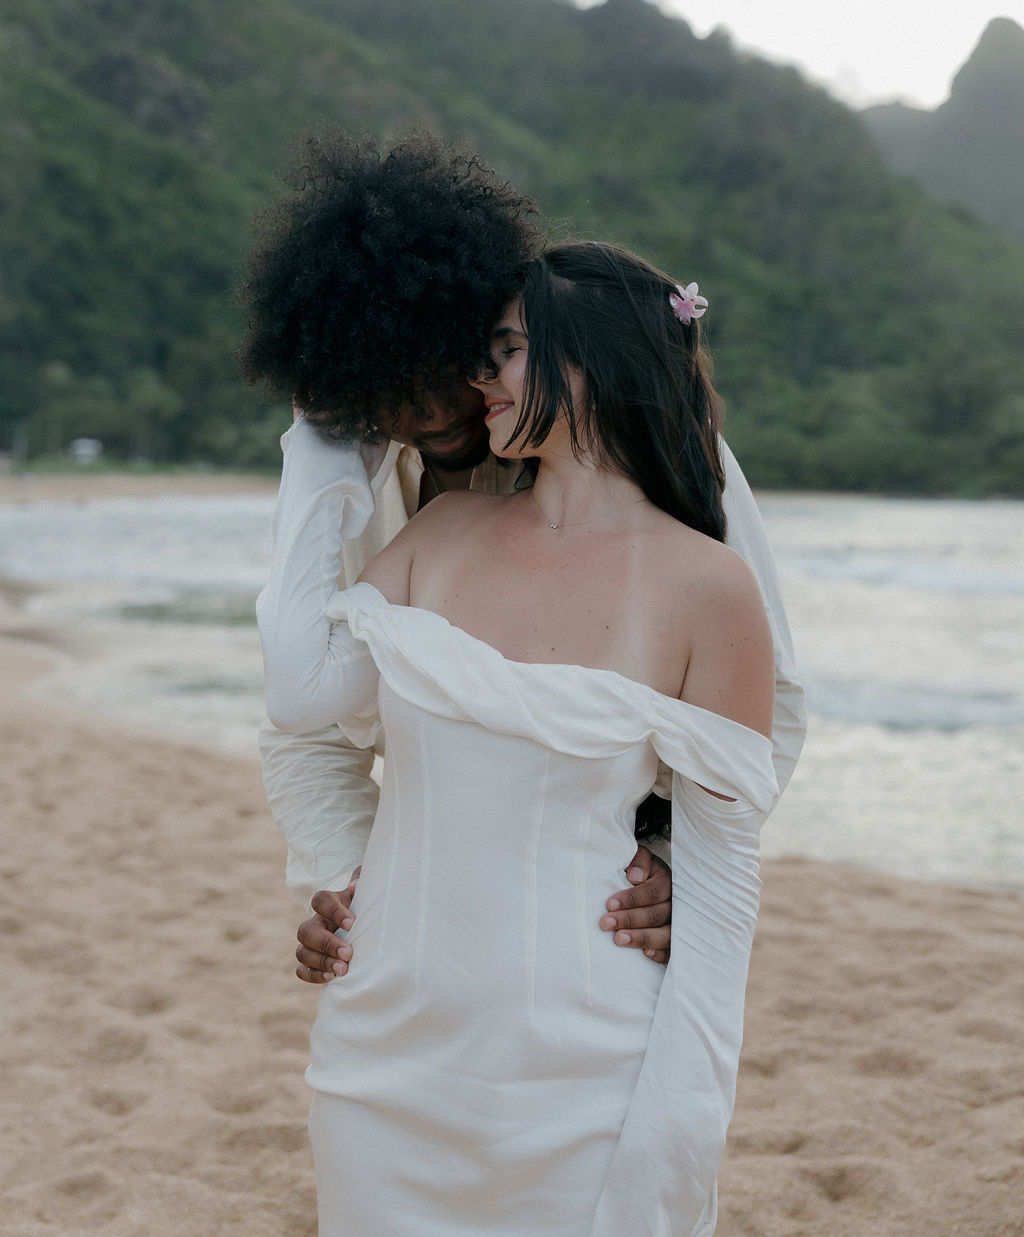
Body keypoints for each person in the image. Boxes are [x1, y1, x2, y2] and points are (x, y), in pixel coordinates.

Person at [256, 239, 793, 1233]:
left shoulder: (708, 579)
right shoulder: (437, 531)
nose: (470, 380)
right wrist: (322, 443)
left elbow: (730, 860)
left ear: (590, 362)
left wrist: (680, 1113)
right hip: (383, 1055)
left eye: (503, 351)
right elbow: (299, 703)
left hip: (578, 1067)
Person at [241, 130, 703, 973]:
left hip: (596, 909)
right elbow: (303, 728)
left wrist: (680, 866)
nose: (429, 411)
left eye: (451, 362)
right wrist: (356, 880)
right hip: (424, 921)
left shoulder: (649, 467)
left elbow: (757, 705)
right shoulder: (355, 489)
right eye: (387, 383)